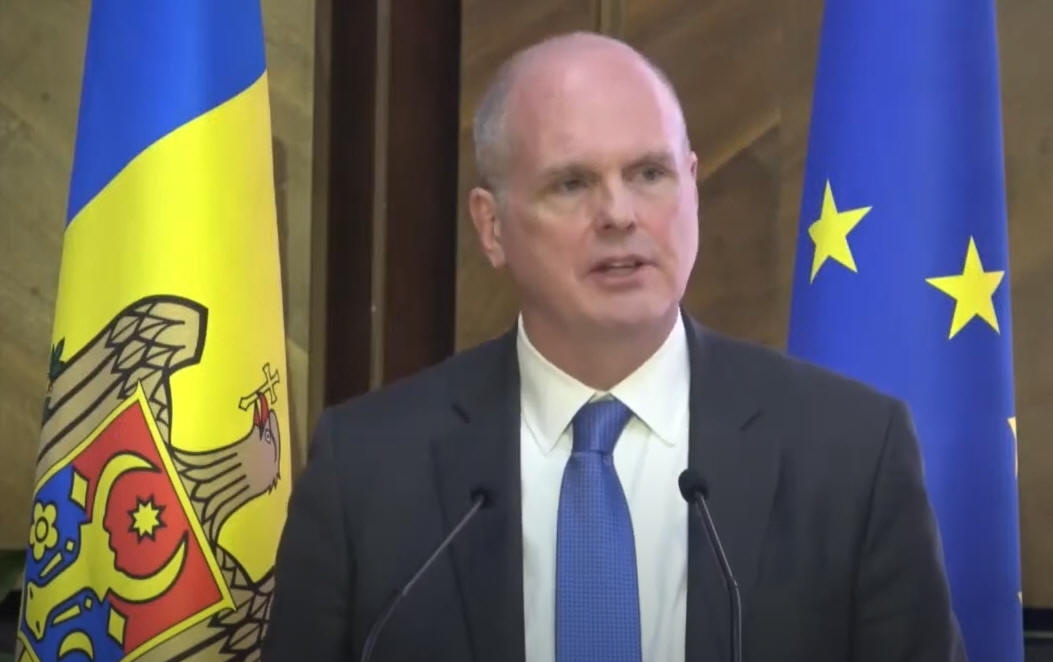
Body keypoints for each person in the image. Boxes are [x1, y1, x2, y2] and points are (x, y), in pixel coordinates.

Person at [264, 32, 964, 661]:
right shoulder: (369, 470)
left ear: (692, 188)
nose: (619, 215)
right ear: (492, 227)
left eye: (649, 174)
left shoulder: (849, 454)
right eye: (571, 184)